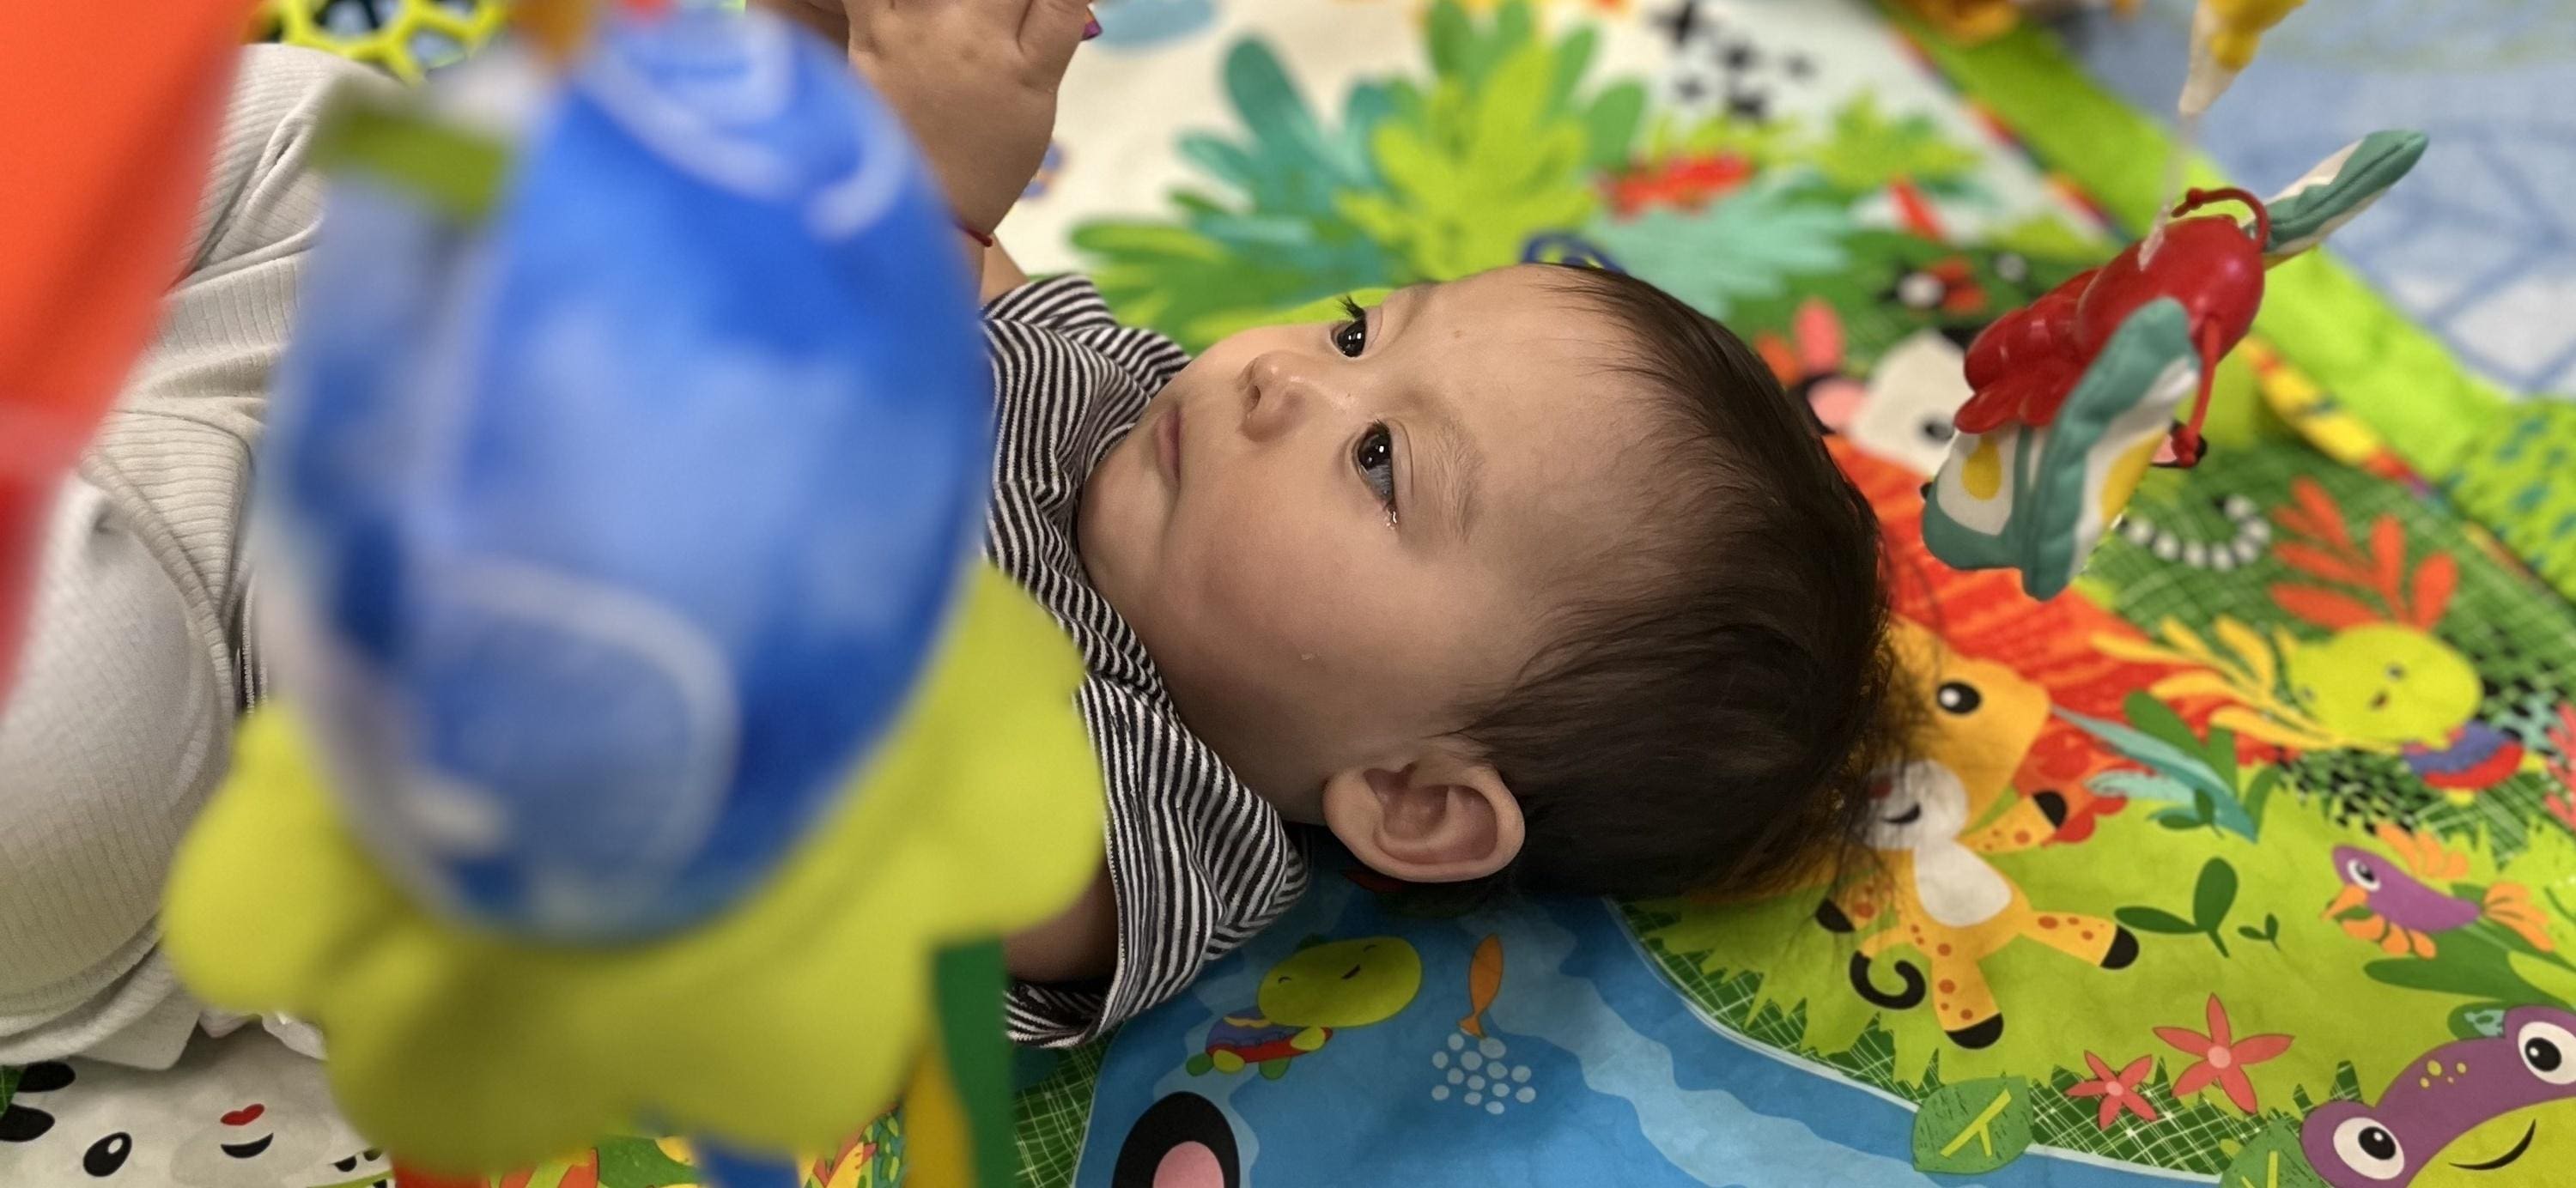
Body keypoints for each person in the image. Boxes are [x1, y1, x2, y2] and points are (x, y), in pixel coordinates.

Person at [0, 0, 1907, 1066]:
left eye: (1385, 466)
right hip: (346, 332)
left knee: (54, 731)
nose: (1280, 383)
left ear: (1414, 799)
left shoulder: (1152, 830)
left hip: (251, 721)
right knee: (286, 119)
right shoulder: (1119, 395)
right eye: (1354, 329)